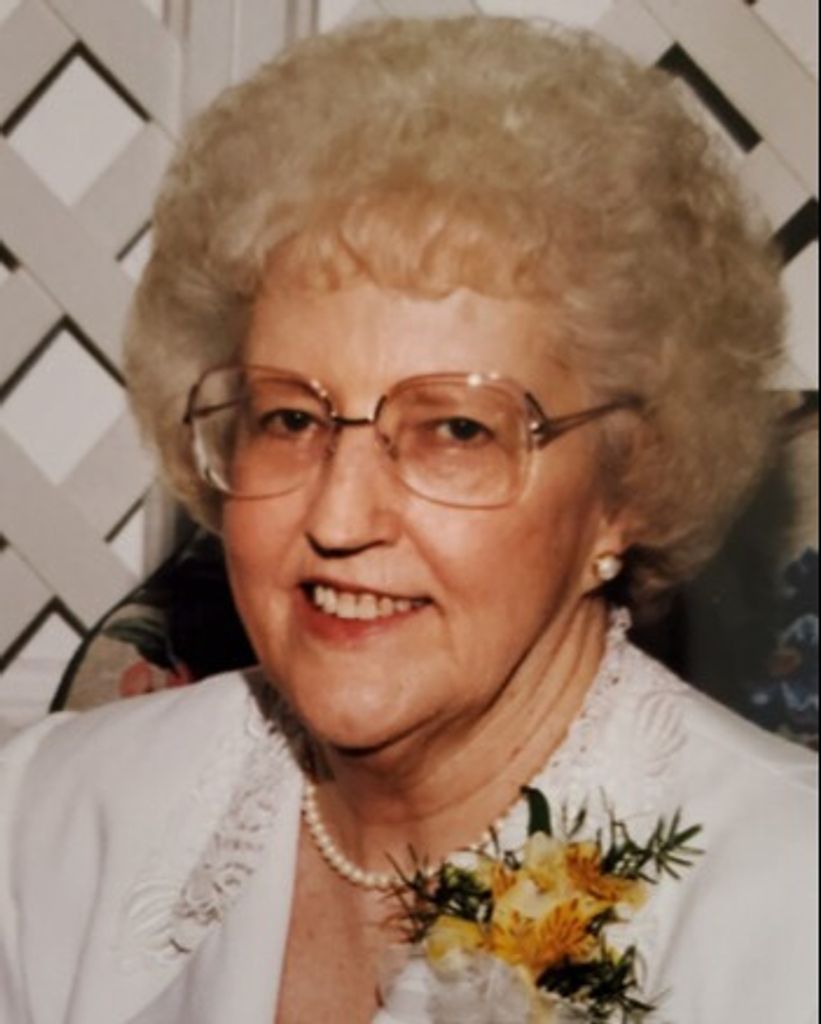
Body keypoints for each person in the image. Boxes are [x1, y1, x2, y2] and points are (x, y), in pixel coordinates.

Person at [0, 16, 816, 1024]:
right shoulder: (51, 825)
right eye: (290, 418)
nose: (338, 516)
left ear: (627, 489)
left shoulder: (788, 912)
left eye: (455, 430)